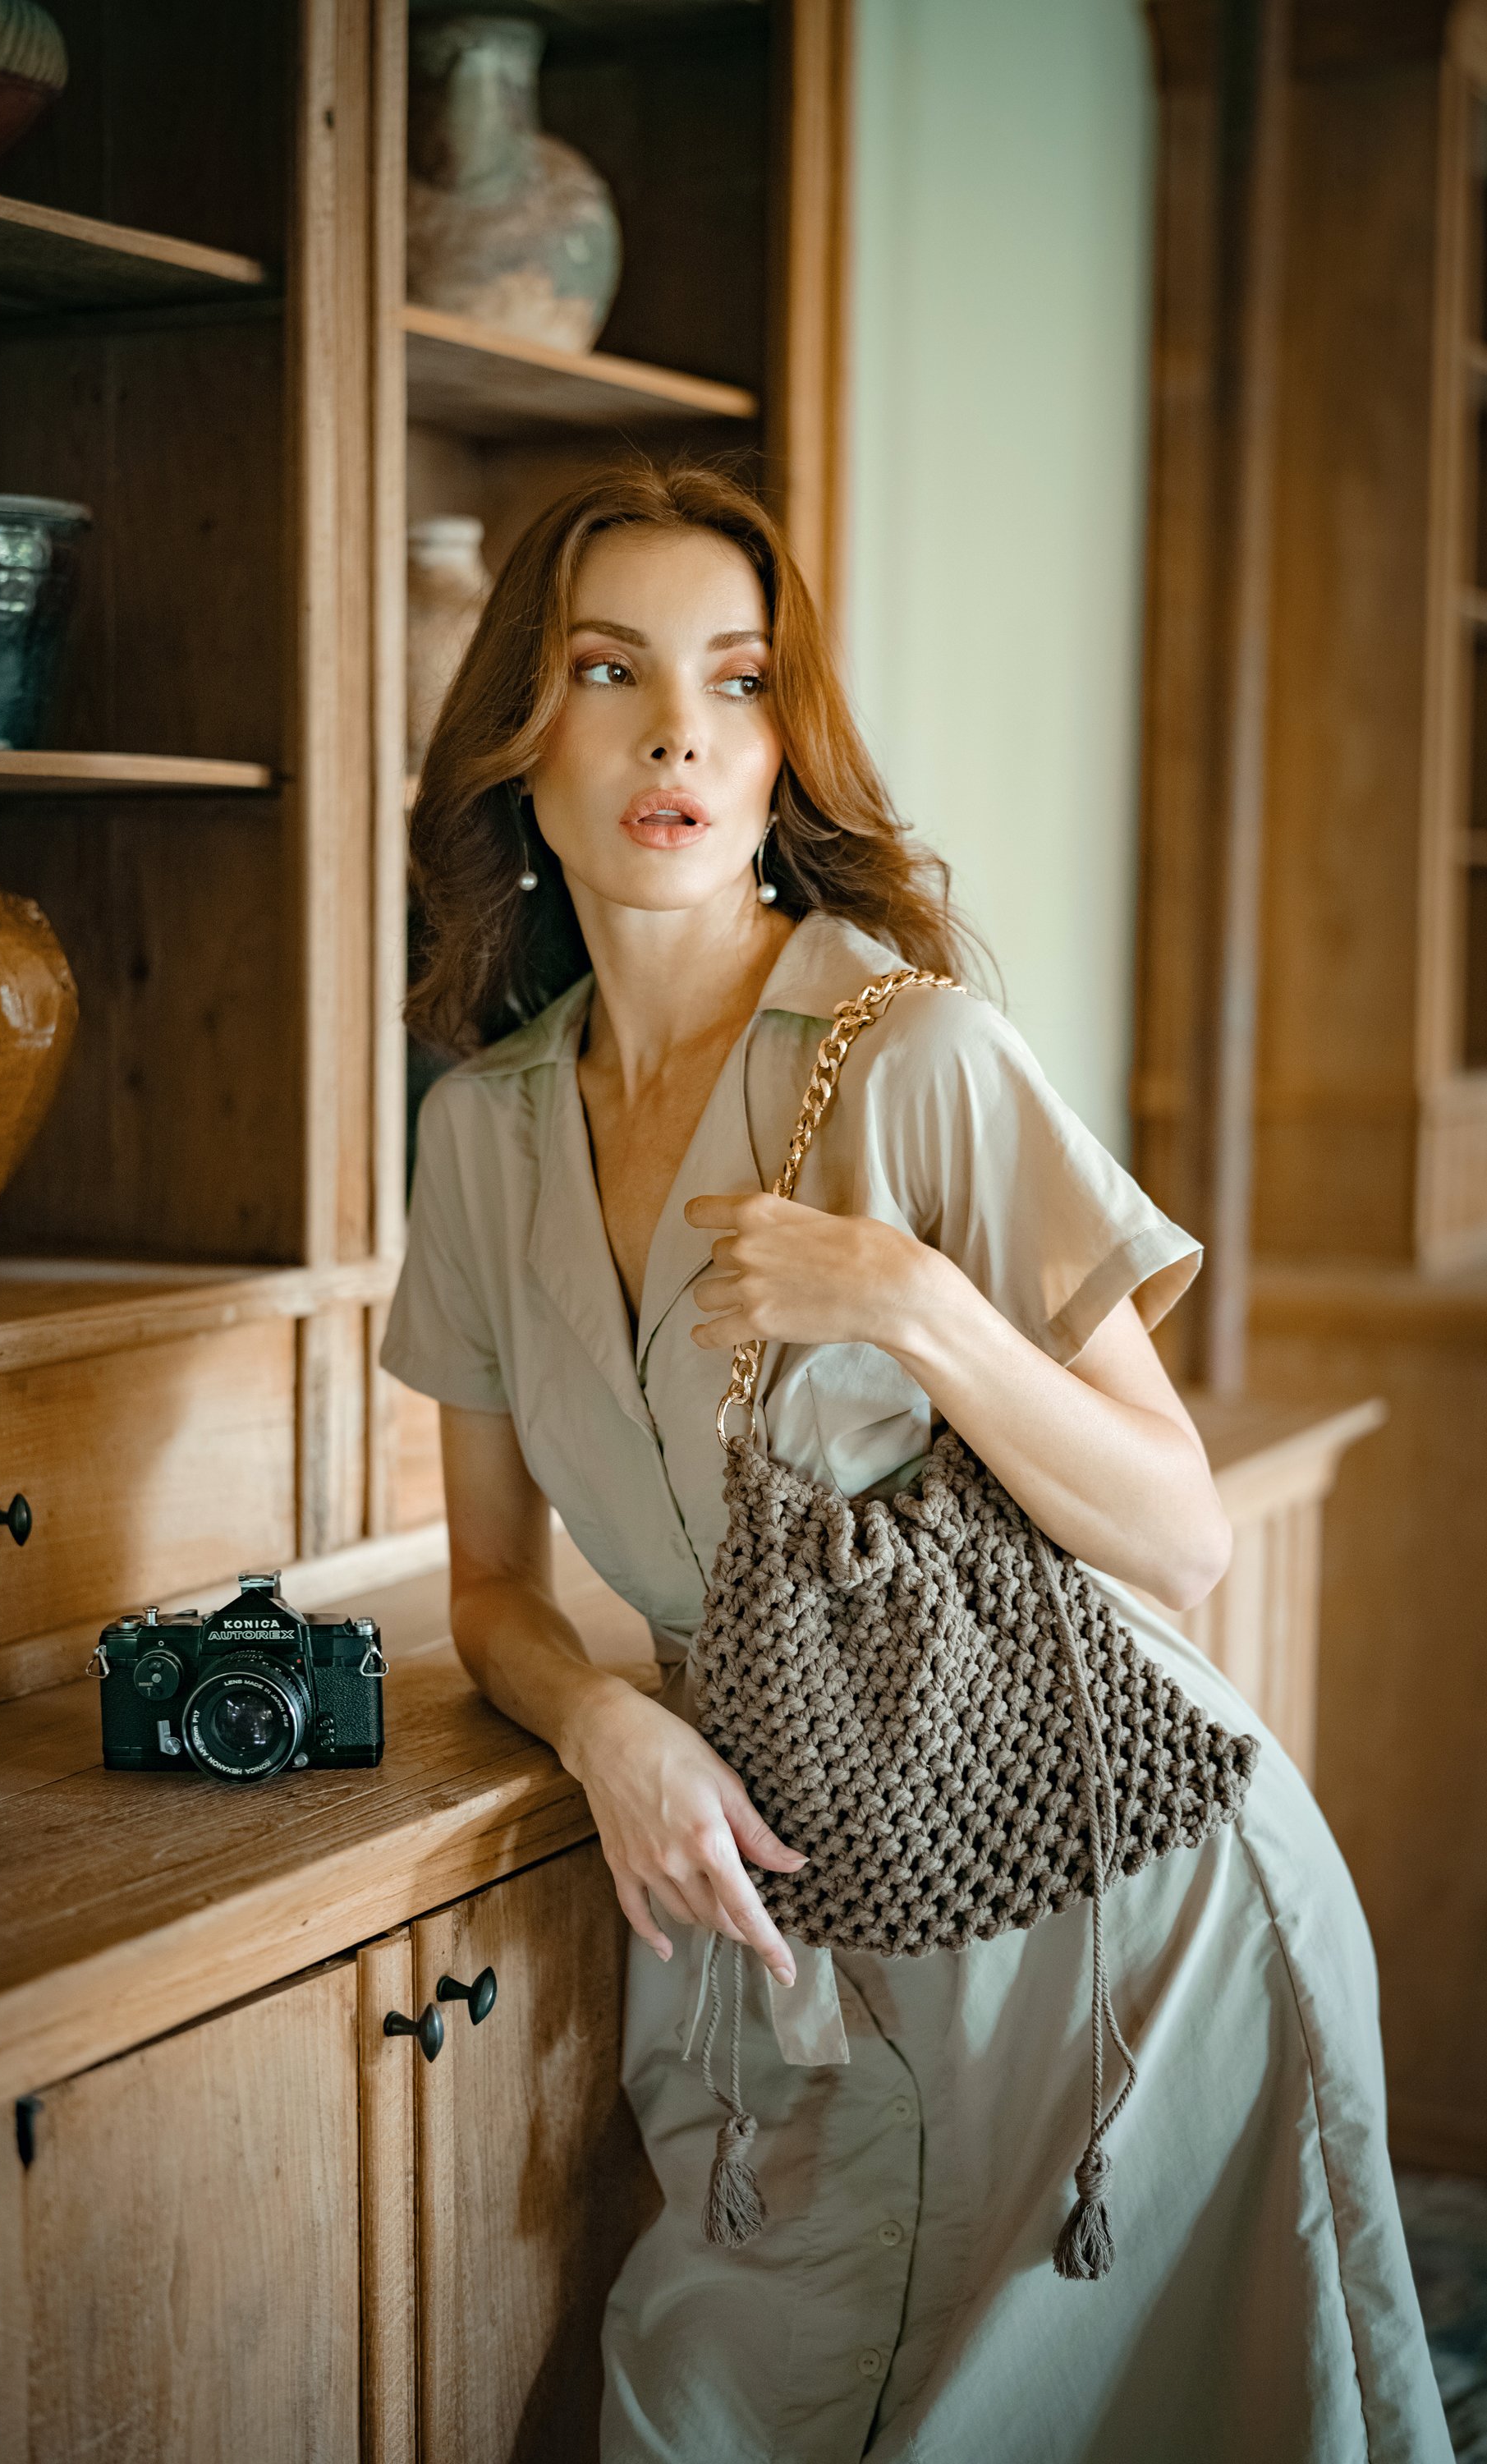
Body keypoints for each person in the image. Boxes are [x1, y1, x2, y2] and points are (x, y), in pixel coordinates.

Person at [381, 458, 1448, 2463]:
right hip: (776, 1929)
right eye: (607, 671)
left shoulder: (917, 1053)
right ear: (518, 744)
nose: (675, 730)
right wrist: (606, 1726)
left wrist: (911, 1305)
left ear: (784, 750)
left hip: (1109, 1917)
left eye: (734, 678)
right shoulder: (480, 1135)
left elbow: (1177, 1531)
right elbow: (493, 1589)